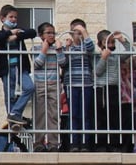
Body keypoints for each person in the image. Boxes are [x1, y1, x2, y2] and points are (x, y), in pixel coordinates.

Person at [0, 5, 37, 129]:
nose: (14, 19)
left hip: (21, 67)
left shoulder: (20, 31)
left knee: (29, 87)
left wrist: (15, 36)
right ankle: (13, 122)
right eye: (10, 17)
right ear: (2, 18)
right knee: (9, 95)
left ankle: (14, 113)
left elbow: (32, 32)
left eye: (15, 17)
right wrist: (9, 33)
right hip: (7, 69)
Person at [30, 22, 66, 152]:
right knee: (39, 114)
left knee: (54, 114)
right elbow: (37, 64)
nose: (51, 35)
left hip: (54, 83)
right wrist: (44, 50)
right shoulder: (35, 49)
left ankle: (53, 143)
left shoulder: (58, 48)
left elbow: (63, 63)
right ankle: (38, 143)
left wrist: (59, 50)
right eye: (48, 33)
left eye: (53, 33)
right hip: (40, 84)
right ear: (41, 35)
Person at [63, 19, 96, 151]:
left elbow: (91, 48)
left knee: (86, 114)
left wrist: (84, 32)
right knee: (74, 114)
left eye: (81, 32)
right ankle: (74, 142)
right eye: (76, 32)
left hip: (86, 84)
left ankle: (85, 143)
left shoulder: (86, 46)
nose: (79, 35)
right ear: (71, 33)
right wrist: (65, 48)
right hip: (71, 84)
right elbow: (63, 62)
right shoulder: (69, 47)